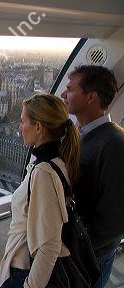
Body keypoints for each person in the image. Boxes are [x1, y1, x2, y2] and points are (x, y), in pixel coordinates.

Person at [0, 93, 81, 288]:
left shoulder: (44, 172)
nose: (20, 128)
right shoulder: (56, 161)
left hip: (24, 271)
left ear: (39, 127)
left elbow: (49, 245)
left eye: (22, 121)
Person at [60, 65, 124, 288]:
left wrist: (74, 246)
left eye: (70, 89)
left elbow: (115, 218)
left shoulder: (115, 144)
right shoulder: (77, 134)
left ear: (91, 97)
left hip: (89, 258)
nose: (63, 94)